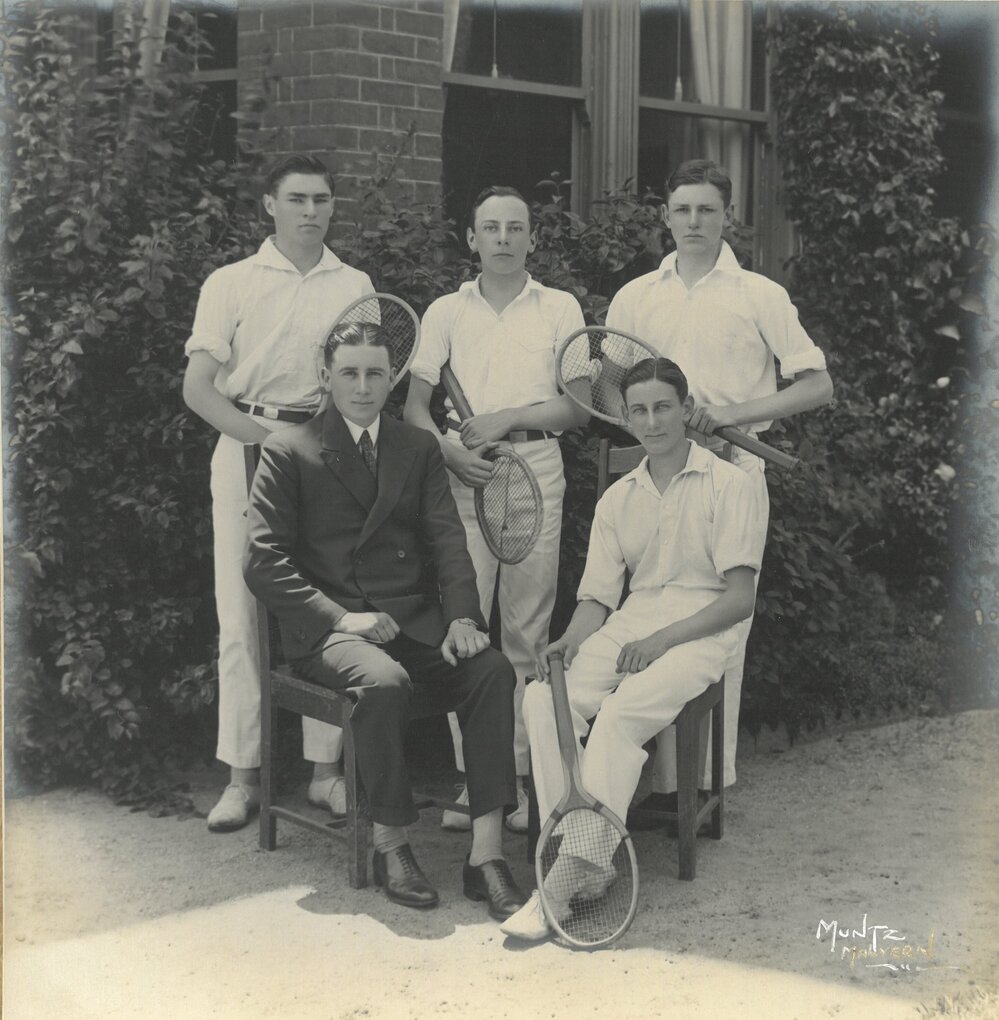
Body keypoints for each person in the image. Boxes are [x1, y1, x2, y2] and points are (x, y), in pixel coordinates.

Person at [243, 322, 528, 919]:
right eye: (349, 372)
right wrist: (343, 619)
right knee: (384, 681)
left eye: (376, 373)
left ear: (393, 378)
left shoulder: (416, 447)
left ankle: (487, 856)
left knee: (492, 671)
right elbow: (263, 564)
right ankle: (391, 845)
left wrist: (461, 620)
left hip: (414, 625)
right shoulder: (287, 449)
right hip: (329, 633)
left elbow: (449, 541)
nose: (364, 386)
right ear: (326, 376)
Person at [501, 358, 765, 940]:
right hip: (630, 623)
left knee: (619, 715)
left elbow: (739, 598)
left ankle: (568, 877)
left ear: (684, 406)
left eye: (663, 407)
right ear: (624, 416)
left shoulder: (731, 483)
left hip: (702, 631)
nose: (652, 421)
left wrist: (662, 640)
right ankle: (578, 850)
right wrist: (568, 642)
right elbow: (598, 598)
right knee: (545, 698)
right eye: (639, 410)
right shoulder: (619, 497)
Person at [605, 158, 833, 810]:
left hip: (732, 476)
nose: (694, 221)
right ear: (665, 217)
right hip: (654, 481)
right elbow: (603, 387)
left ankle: (706, 788)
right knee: (651, 613)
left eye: (706, 210)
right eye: (682, 209)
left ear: (727, 216)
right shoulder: (635, 297)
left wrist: (726, 416)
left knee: (719, 627)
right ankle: (663, 787)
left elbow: (817, 384)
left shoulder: (759, 294)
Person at [183, 154, 372, 832]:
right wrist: (261, 442)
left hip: (322, 454)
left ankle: (326, 775)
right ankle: (242, 777)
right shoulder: (231, 282)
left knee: (327, 609)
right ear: (269, 205)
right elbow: (198, 389)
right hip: (244, 447)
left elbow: (362, 383)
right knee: (240, 617)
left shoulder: (354, 283)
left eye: (321, 199)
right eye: (296, 198)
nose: (310, 211)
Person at [403, 186, 589, 833]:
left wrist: (508, 417)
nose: (504, 238)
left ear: (533, 239)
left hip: (536, 468)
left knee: (527, 632)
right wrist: (452, 454)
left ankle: (519, 781)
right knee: (464, 627)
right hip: (467, 475)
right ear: (472, 239)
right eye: (491, 228)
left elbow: (576, 406)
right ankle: (475, 783)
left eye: (516, 228)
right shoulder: (445, 312)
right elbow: (413, 411)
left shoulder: (560, 308)